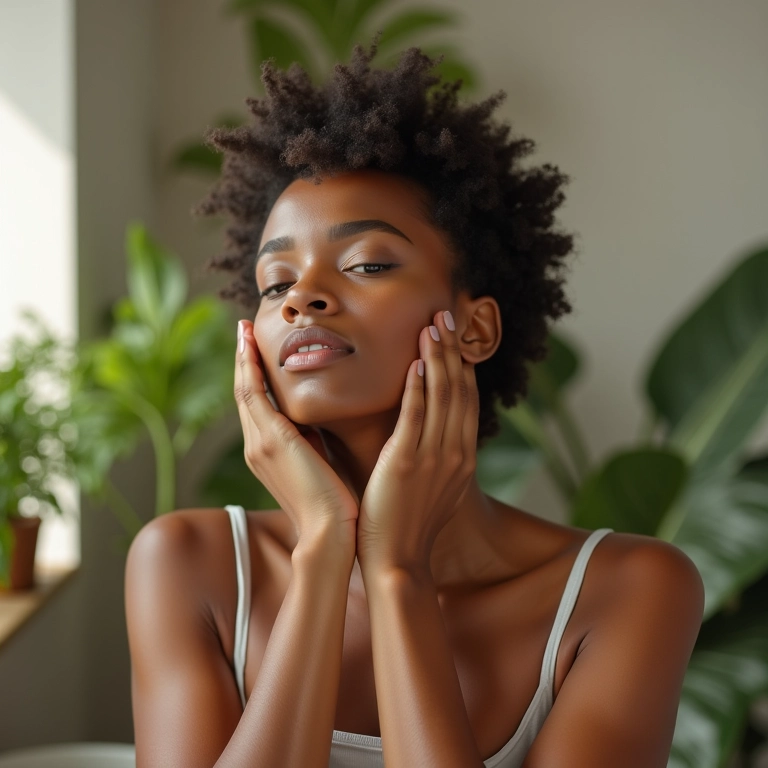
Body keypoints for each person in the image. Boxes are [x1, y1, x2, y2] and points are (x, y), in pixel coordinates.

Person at [125, 42, 704, 768]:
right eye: (276, 284)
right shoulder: (188, 565)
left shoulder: (627, 593)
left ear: (477, 327)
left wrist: (398, 574)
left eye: (367, 263)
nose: (302, 297)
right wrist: (322, 555)